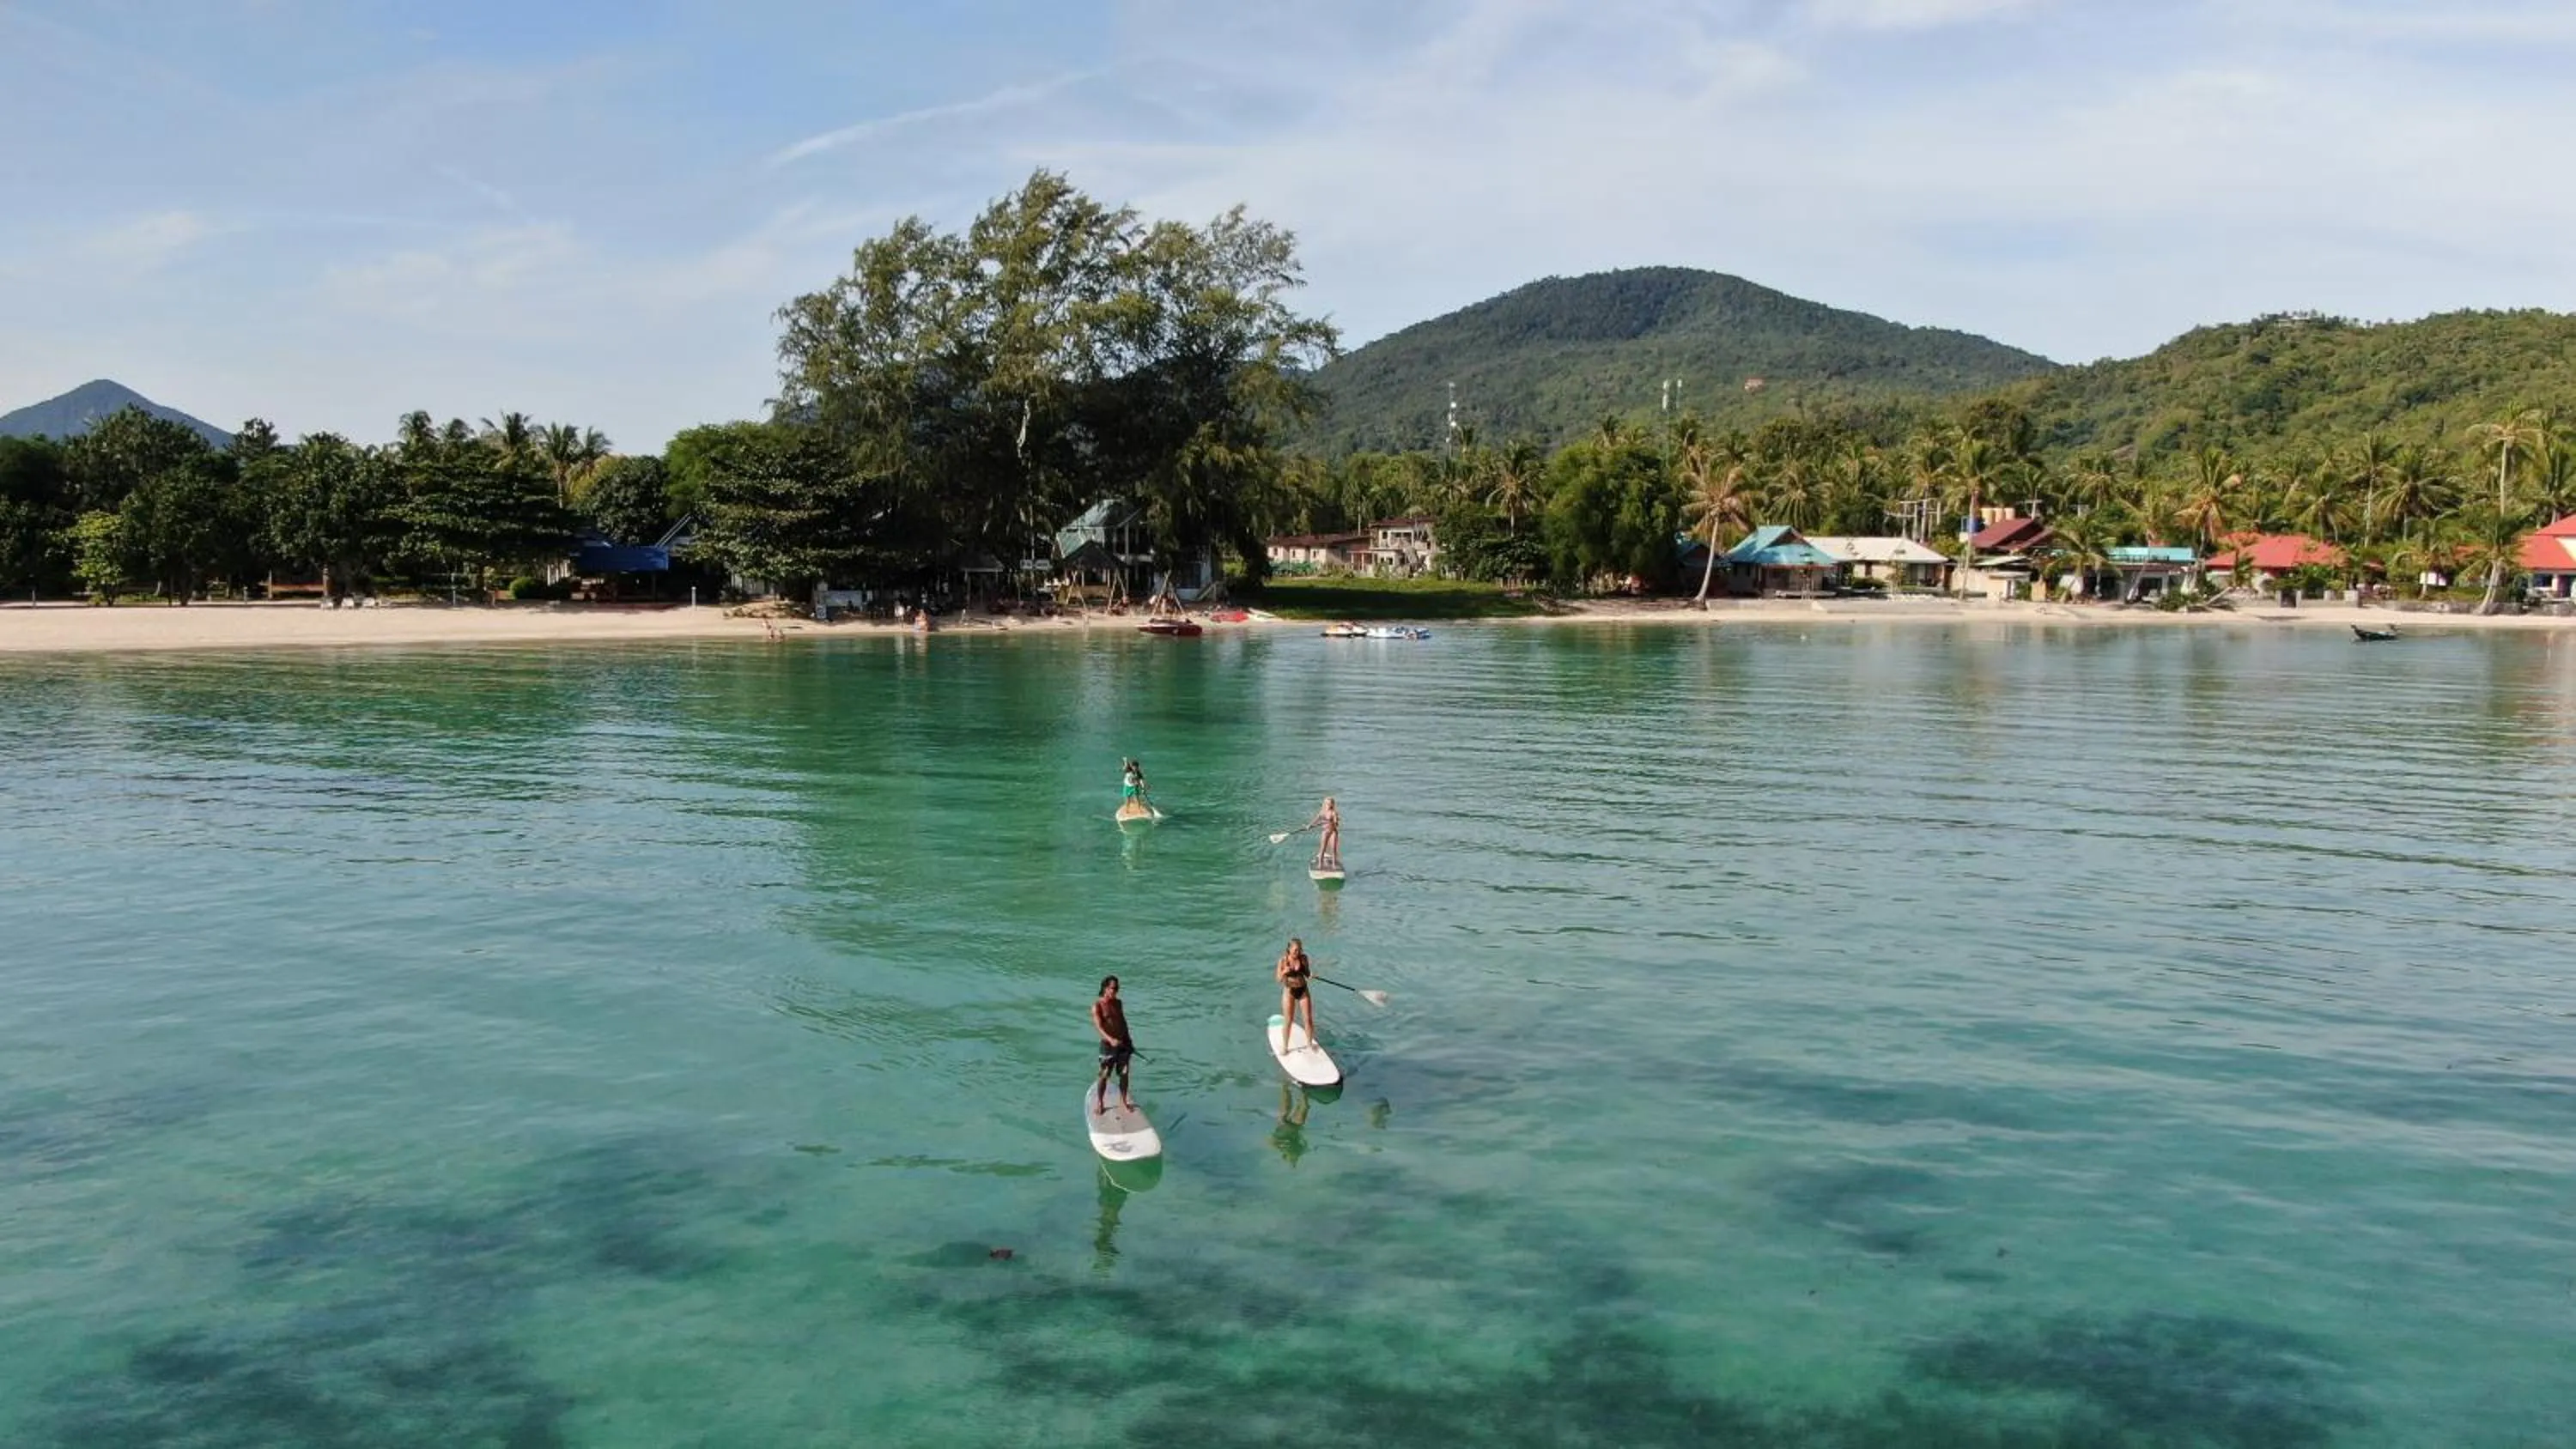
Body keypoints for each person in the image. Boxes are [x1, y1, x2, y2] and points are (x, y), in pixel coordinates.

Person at [1091, 975, 1134, 1113]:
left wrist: (1129, 1040)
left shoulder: (1118, 1003)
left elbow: (1123, 1022)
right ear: (1105, 988)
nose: (1115, 991)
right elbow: (1099, 1027)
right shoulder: (1097, 1006)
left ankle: (1123, 1101)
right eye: (1113, 988)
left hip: (1122, 1043)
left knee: (1124, 1073)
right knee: (1105, 1074)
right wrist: (1110, 1040)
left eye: (1117, 988)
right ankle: (1100, 1102)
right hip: (1108, 1045)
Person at [1275, 937, 1316, 1053]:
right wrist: (1284, 972)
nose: (1298, 953)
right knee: (1288, 1020)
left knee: (1308, 1019)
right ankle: (1285, 1047)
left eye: (1299, 950)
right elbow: (1278, 979)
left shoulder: (1304, 958)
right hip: (1289, 992)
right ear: (1289, 949)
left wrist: (1311, 975)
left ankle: (1309, 1044)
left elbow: (1307, 973)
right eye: (1295, 951)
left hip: (1303, 990)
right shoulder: (1283, 961)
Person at [1304, 796, 1341, 871]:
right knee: (1323, 849)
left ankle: (1334, 865)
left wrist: (1335, 821)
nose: (1328, 805)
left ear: (1332, 804)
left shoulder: (1334, 813)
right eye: (1327, 803)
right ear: (1325, 804)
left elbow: (1336, 824)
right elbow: (1316, 819)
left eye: (1330, 804)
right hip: (1325, 832)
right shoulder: (1322, 812)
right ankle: (1320, 865)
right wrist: (1310, 825)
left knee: (1334, 849)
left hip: (1333, 832)